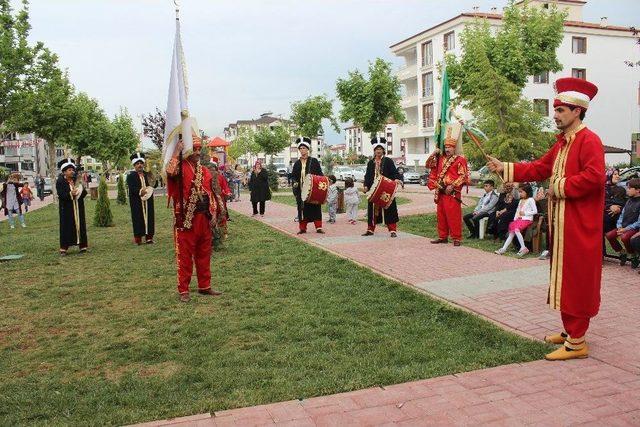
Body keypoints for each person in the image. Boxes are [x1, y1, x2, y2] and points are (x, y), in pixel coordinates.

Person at [487, 76, 604, 361]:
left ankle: (577, 344)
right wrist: (505, 167)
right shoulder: (563, 143)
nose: (555, 115)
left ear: (577, 111)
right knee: (565, 277)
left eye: (561, 110)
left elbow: (595, 177)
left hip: (580, 225)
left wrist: (558, 186)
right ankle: (571, 331)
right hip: (565, 225)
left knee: (576, 279)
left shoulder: (589, 140)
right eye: (555, 109)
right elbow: (540, 167)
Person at [166, 134, 222, 302]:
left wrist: (213, 211)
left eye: (199, 149)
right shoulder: (180, 167)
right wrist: (177, 152)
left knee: (204, 253)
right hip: (186, 219)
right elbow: (169, 171)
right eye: (194, 149)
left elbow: (210, 193)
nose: (198, 152)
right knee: (184, 256)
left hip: (203, 218)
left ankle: (205, 286)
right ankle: (183, 290)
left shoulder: (204, 170)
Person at [426, 126, 469, 246]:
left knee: (453, 216)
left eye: (449, 147)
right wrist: (434, 153)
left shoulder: (460, 160)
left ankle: (456, 238)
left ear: (454, 148)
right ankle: (443, 236)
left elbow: (463, 176)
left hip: (452, 192)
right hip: (440, 191)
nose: (447, 149)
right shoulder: (440, 159)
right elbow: (428, 165)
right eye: (445, 146)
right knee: (441, 215)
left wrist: (453, 185)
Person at [362, 137, 402, 237]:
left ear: (383, 150)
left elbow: (394, 173)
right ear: (374, 151)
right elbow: (367, 175)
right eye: (376, 149)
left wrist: (396, 179)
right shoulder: (371, 163)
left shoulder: (388, 161)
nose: (378, 151)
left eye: (380, 149)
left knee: (389, 209)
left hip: (386, 189)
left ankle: (393, 230)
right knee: (372, 210)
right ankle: (370, 229)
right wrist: (366, 186)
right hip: (373, 190)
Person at [604, 178, 640, 268]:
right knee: (609, 235)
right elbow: (622, 215)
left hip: (633, 228)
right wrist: (619, 226)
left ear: (637, 190)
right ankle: (622, 252)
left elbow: (638, 222)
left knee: (624, 237)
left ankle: (633, 255)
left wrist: (626, 229)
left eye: (629, 188)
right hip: (623, 227)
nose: (627, 190)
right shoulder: (629, 200)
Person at [292, 137, 324, 234]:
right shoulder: (297, 163)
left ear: (308, 149)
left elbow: (320, 175)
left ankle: (318, 227)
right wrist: (295, 184)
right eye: (300, 148)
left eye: (304, 148)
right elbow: (294, 177)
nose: (302, 150)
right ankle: (302, 228)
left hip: (313, 190)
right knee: (302, 209)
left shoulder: (313, 161)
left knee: (315, 208)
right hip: (301, 191)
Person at [494, 183, 537, 257]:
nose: (520, 194)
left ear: (527, 192)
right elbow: (517, 211)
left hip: (527, 219)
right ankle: (504, 248)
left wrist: (525, 213)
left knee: (516, 229)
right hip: (519, 220)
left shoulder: (531, 200)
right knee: (512, 232)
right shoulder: (521, 201)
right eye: (519, 192)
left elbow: (535, 211)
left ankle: (523, 248)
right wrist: (515, 219)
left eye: (521, 192)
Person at [56, 159, 88, 254]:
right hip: (67, 209)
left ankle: (82, 245)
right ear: (64, 172)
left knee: (80, 225)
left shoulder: (76, 180)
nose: (72, 172)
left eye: (72, 170)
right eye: (69, 170)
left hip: (78, 207)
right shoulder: (60, 181)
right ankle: (64, 248)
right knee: (67, 226)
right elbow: (61, 194)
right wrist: (70, 193)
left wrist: (80, 190)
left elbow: (84, 193)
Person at [126, 152, 156, 245]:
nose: (140, 165)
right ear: (134, 165)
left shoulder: (148, 174)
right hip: (136, 201)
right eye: (137, 164)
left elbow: (154, 184)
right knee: (137, 218)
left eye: (141, 163)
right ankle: (138, 238)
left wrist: (154, 179)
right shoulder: (131, 176)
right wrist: (140, 191)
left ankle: (149, 238)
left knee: (149, 218)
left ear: (143, 164)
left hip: (148, 201)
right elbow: (132, 187)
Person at [603, 169, 626, 235]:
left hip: (619, 222)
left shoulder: (621, 189)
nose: (618, 176)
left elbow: (626, 204)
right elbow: (598, 203)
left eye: (618, 174)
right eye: (615, 174)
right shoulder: (602, 189)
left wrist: (619, 209)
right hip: (604, 222)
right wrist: (610, 206)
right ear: (609, 175)